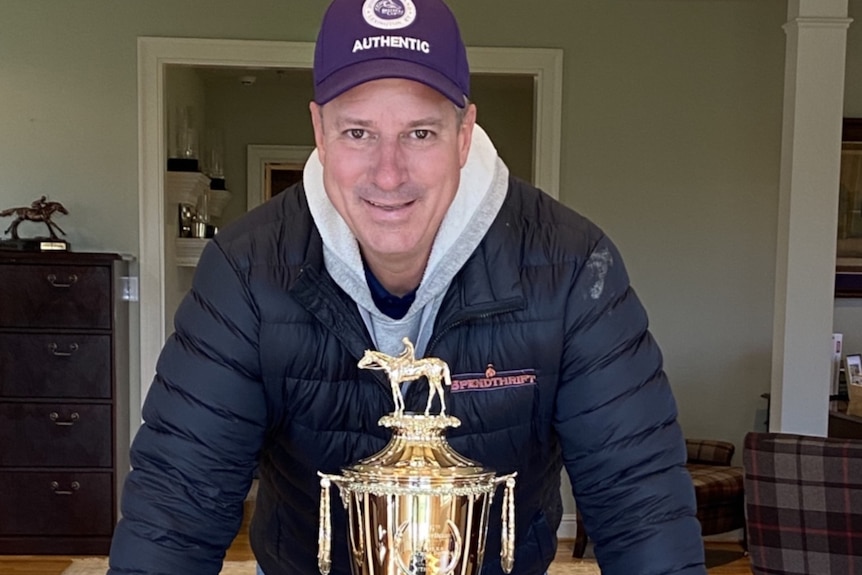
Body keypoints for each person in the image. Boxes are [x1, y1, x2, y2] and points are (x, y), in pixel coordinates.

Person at [108, 0, 706, 573]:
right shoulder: (244, 268)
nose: (388, 174)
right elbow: (179, 497)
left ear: (465, 132)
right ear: (319, 129)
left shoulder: (573, 265)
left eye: (420, 133)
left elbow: (638, 497)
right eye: (358, 133)